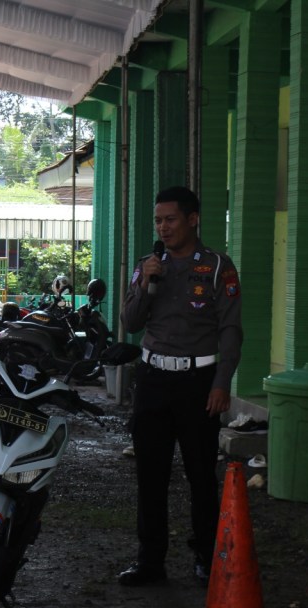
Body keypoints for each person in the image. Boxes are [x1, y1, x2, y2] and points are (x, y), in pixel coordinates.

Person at [117, 186, 243, 587]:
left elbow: (230, 330)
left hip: (198, 382)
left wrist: (222, 382)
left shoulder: (219, 267)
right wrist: (145, 284)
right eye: (158, 220)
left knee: (201, 475)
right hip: (153, 379)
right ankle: (150, 560)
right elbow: (131, 323)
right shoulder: (149, 265)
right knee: (150, 476)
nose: (163, 227)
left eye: (170, 219)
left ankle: (206, 557)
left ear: (193, 219)